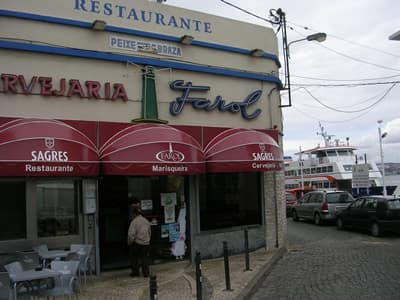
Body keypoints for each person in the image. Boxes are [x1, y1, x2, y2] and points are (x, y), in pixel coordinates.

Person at [127, 206, 151, 277]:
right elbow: (149, 232)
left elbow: (131, 235)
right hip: (146, 243)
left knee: (134, 257)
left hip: (137, 243)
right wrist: (148, 240)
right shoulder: (146, 221)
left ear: (134, 214)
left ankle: (135, 272)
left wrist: (129, 243)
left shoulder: (134, 222)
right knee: (145, 258)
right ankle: (146, 273)